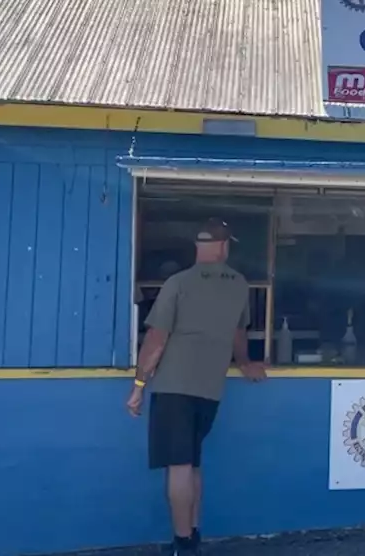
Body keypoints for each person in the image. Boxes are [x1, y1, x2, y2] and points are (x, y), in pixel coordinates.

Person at [126, 218, 267, 555]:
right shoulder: (238, 284)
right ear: (223, 246)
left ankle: (183, 543)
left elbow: (157, 339)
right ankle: (193, 532)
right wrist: (245, 363)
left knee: (179, 467)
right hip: (210, 387)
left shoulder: (178, 282)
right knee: (192, 463)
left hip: (174, 384)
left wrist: (138, 385)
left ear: (198, 246)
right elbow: (238, 332)